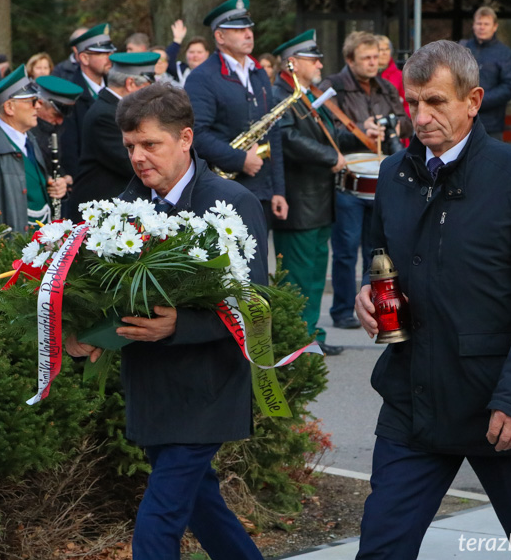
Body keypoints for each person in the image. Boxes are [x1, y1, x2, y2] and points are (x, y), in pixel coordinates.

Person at [354, 39, 511, 560]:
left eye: (436, 102)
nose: (422, 116)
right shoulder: (394, 173)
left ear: (473, 100)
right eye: (413, 103)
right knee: (381, 549)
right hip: (413, 401)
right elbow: (382, 257)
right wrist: (372, 296)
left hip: (498, 406)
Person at [65, 82, 267, 560]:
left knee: (157, 524)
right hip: (151, 385)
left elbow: (254, 304)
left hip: (207, 388)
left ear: (186, 139)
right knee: (203, 507)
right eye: (130, 145)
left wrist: (181, 325)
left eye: (150, 144)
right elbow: (107, 295)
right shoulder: (122, 208)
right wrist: (84, 334)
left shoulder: (232, 202)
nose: (138, 156)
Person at [272, 30, 358, 357]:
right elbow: (288, 138)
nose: (320, 63)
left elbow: (329, 135)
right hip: (299, 200)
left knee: (314, 275)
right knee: (297, 276)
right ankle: (296, 340)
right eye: (313, 58)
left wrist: (355, 138)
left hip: (318, 199)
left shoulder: (305, 92)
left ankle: (311, 334)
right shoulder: (281, 93)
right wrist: (330, 157)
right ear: (292, 63)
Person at [319, 30, 409, 330]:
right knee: (345, 251)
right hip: (349, 181)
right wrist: (360, 128)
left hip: (381, 179)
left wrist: (390, 124)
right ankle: (343, 310)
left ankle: (374, 308)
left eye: (376, 58)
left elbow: (406, 119)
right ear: (349, 60)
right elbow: (323, 128)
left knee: (378, 251)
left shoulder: (385, 87)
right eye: (366, 58)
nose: (373, 63)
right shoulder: (332, 87)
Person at [185, 0, 288, 227]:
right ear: (220, 36)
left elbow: (273, 133)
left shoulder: (259, 73)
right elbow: (196, 134)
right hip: (221, 191)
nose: (249, 34)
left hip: (261, 191)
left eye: (249, 28)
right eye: (239, 29)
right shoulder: (201, 77)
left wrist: (278, 190)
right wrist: (240, 159)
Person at [0, 65, 67, 232]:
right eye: (32, 101)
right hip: (12, 251)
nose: (38, 106)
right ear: (9, 108)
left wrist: (54, 185)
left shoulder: (29, 139)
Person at [69, 52, 157, 221]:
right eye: (148, 86)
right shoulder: (105, 115)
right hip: (99, 213)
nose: (151, 94)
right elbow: (132, 163)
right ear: (130, 83)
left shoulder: (116, 110)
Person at [58, 23, 116, 180]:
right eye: (102, 54)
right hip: (87, 181)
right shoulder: (71, 94)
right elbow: (70, 147)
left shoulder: (115, 88)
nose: (109, 58)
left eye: (110, 52)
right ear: (84, 58)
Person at [460, 6, 511, 141]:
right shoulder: (463, 49)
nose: (482, 27)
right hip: (462, 120)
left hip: (492, 123)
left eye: (486, 24)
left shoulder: (504, 53)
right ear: (473, 25)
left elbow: (510, 86)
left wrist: (479, 101)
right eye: (479, 23)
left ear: (495, 26)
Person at [31, 75, 83, 215]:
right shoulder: (29, 129)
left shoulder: (52, 128)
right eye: (56, 114)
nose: (60, 121)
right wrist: (49, 180)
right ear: (40, 103)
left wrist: (64, 177)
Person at [165, 20, 210, 87]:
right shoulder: (180, 70)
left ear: (207, 54)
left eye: (199, 52)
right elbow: (167, 60)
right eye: (191, 52)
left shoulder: (213, 71)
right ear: (186, 53)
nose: (195, 55)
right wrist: (177, 40)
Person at [376, 34, 408, 116]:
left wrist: (401, 122)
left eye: (387, 49)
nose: (385, 53)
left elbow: (407, 104)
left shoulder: (400, 75)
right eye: (381, 50)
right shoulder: (366, 76)